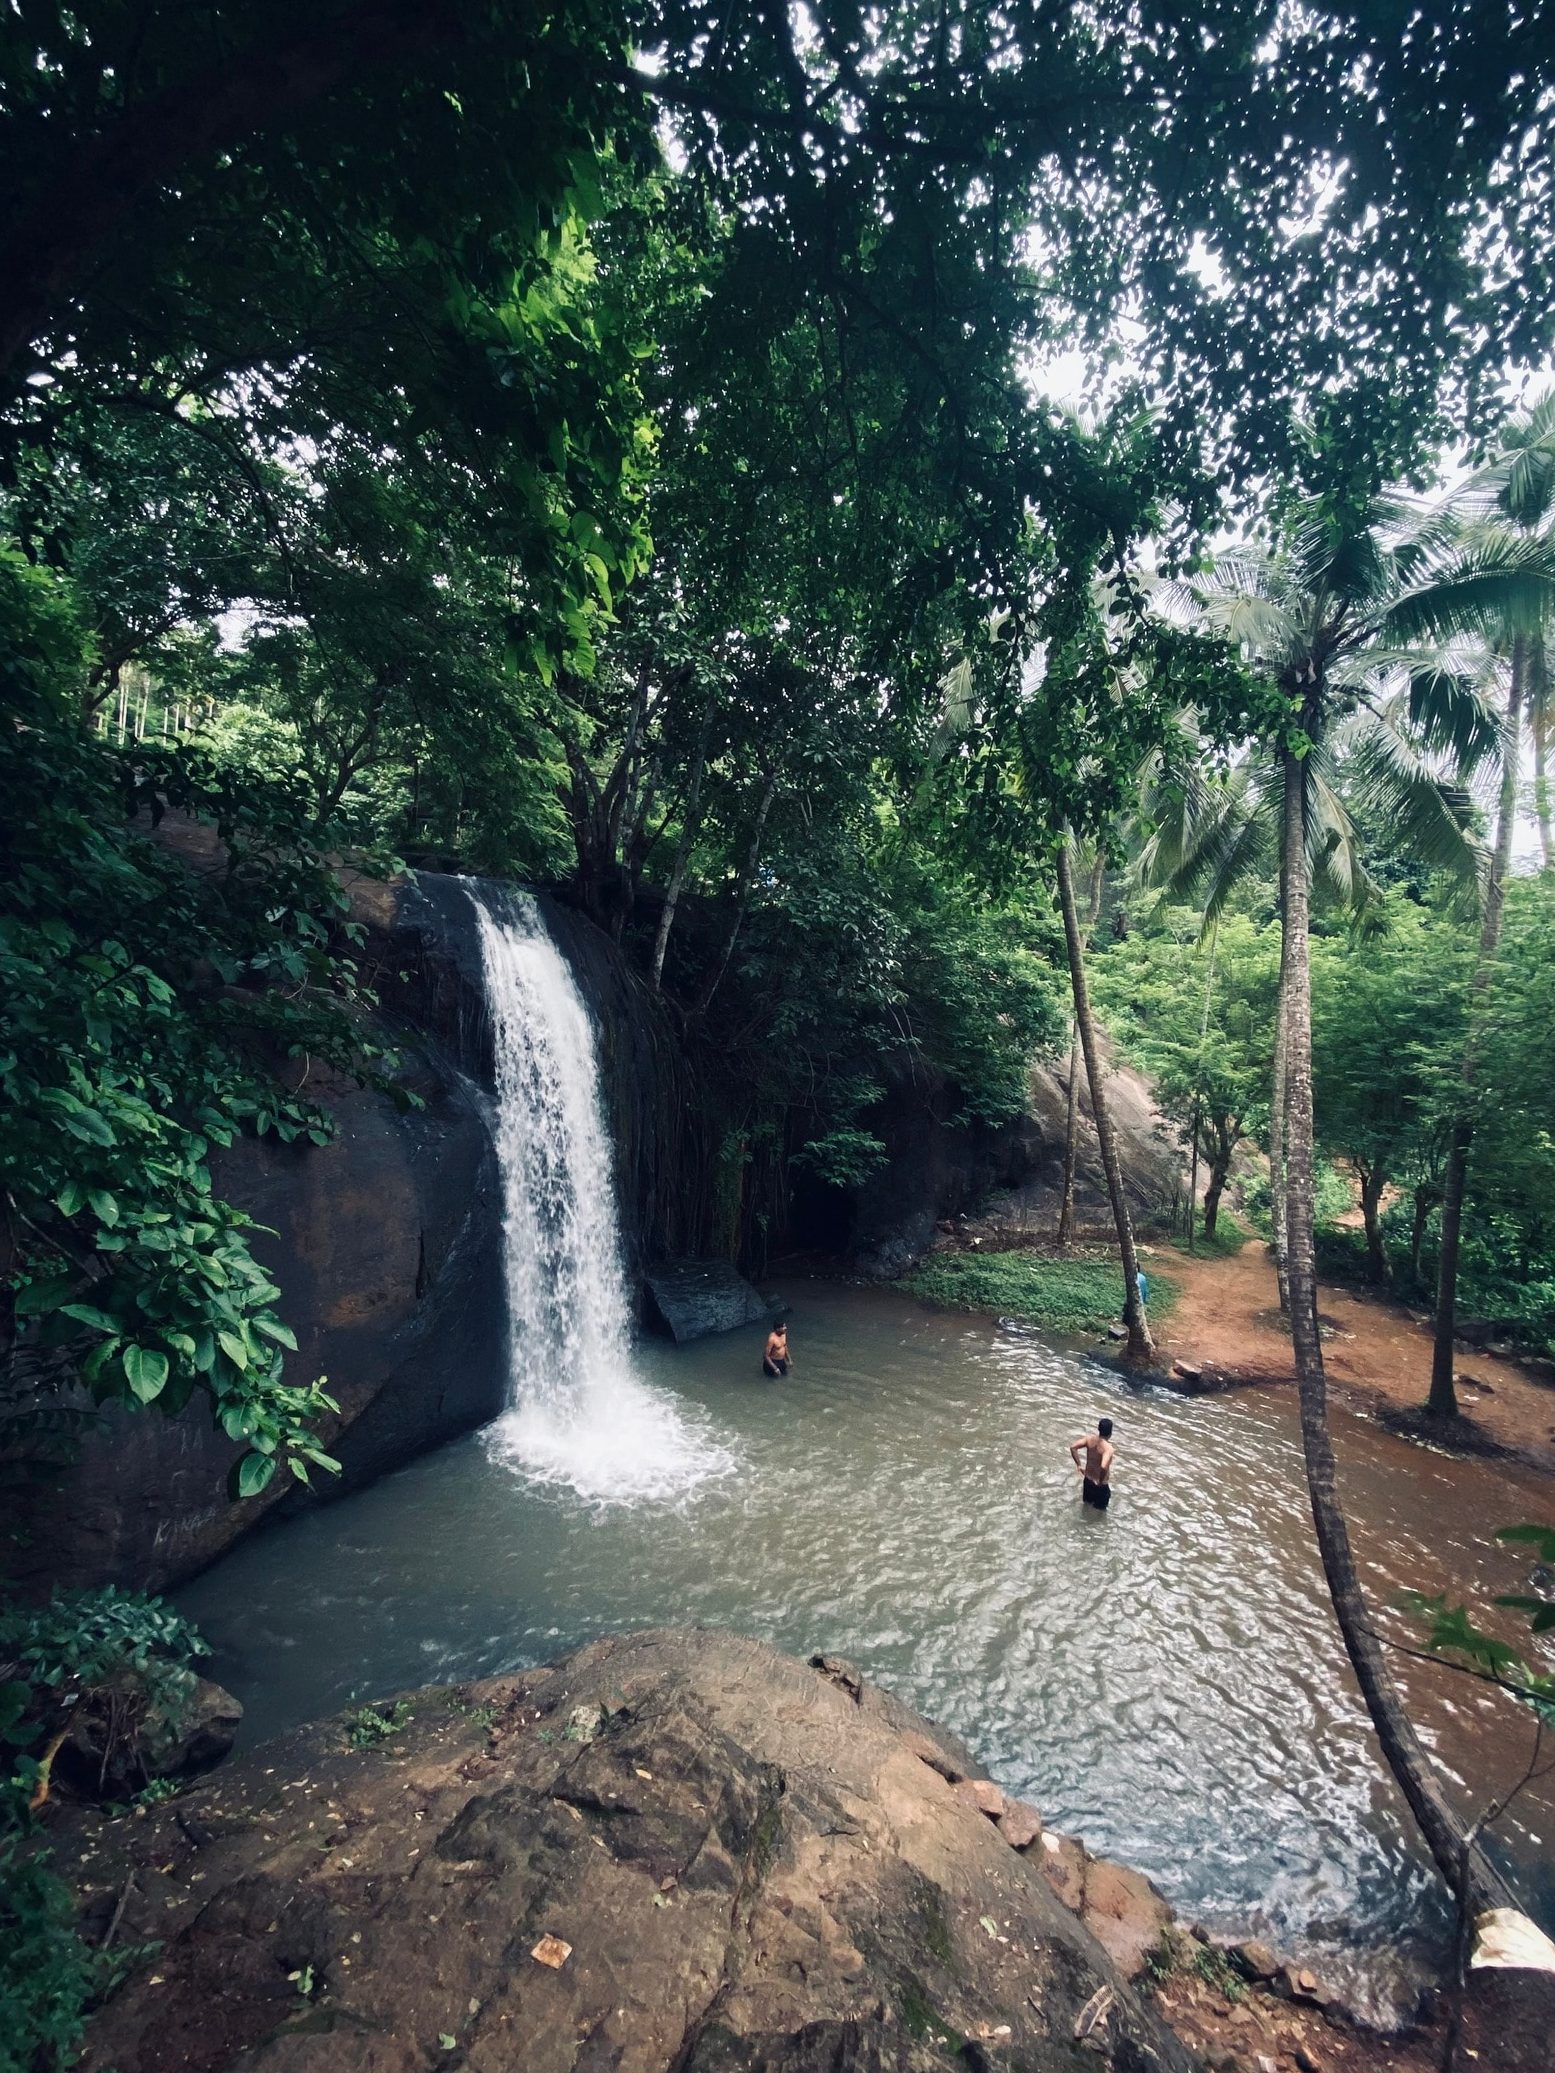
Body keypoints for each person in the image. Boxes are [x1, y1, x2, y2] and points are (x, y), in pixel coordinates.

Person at [1069, 1417, 1114, 1510]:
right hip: (1100, 1486)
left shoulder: (1089, 1439)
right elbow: (1103, 1467)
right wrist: (1100, 1482)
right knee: (1100, 1515)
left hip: (1088, 1481)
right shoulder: (1108, 1448)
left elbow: (1073, 1447)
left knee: (1085, 1507)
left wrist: (1079, 1465)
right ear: (1110, 1433)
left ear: (1098, 1429)